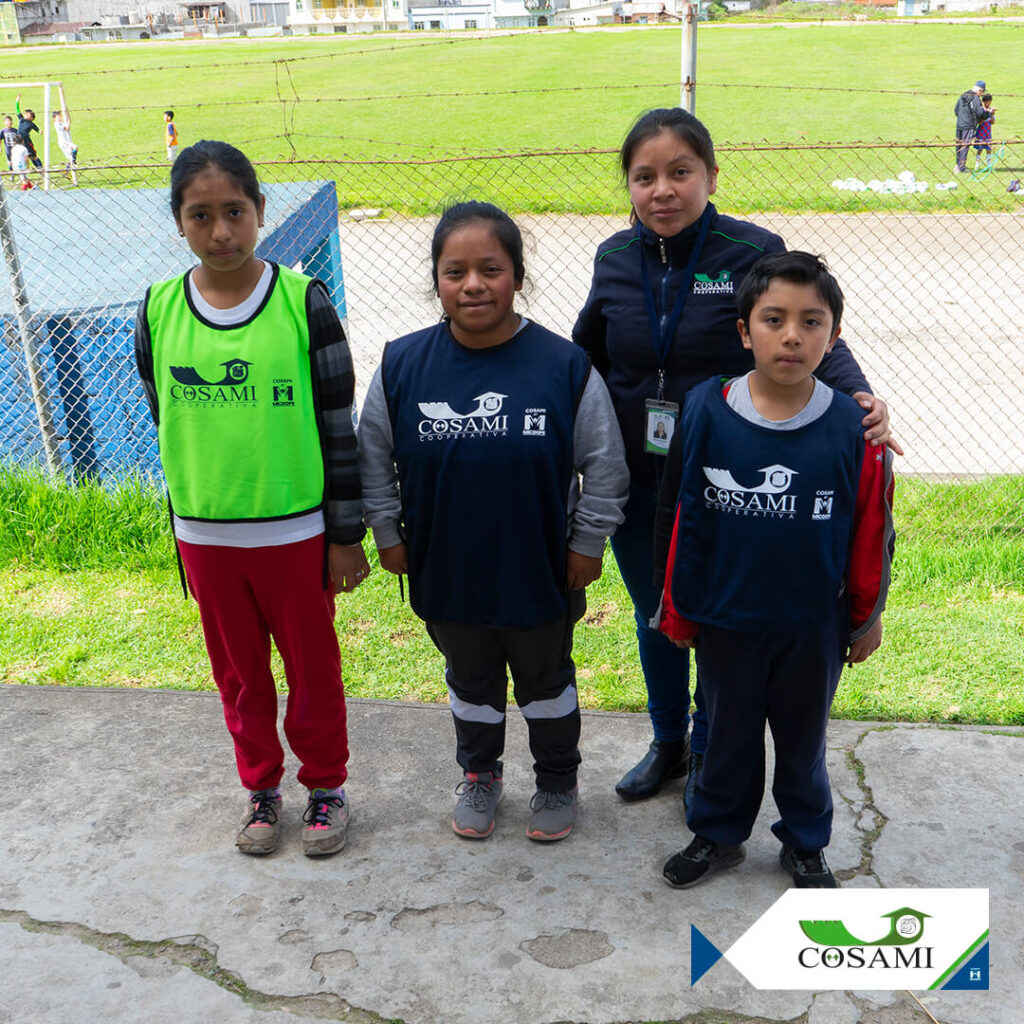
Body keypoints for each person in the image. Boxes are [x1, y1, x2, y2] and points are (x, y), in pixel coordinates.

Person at [573, 107, 895, 808]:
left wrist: (859, 395)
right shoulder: (613, 259)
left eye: (680, 172)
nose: (663, 190)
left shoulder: (750, 249)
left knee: (715, 620)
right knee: (658, 612)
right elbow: (585, 355)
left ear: (712, 176)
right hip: (639, 480)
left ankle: (708, 742)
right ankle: (668, 742)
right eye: (644, 177)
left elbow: (806, 326)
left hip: (724, 484)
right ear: (629, 185)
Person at [358, 201, 629, 843]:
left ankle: (557, 780)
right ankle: (479, 774)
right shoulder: (402, 364)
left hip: (538, 567)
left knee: (546, 684)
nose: (473, 284)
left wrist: (587, 543)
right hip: (447, 567)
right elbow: (372, 455)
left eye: (491, 269)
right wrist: (387, 532)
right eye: (455, 272)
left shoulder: (563, 365)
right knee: (471, 683)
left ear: (517, 276)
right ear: (437, 281)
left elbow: (605, 463)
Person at [133, 140, 369, 857]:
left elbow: (337, 423)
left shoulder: (302, 301)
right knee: (238, 677)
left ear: (261, 210)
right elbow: (166, 415)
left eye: (234, 211)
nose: (221, 232)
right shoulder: (158, 309)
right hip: (207, 539)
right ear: (179, 222)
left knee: (313, 670)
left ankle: (325, 788)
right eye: (200, 216)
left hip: (294, 536)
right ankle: (261, 788)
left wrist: (344, 534)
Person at [656, 251, 894, 890]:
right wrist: (677, 606)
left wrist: (865, 616)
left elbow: (870, 532)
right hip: (727, 619)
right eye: (774, 319)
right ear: (744, 331)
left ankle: (806, 842)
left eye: (811, 322)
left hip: (811, 624)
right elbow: (681, 517)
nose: (792, 336)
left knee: (803, 742)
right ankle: (717, 833)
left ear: (833, 337)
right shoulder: (704, 408)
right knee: (726, 736)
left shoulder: (853, 427)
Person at [954, 80, 993, 174]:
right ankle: (961, 167)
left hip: (959, 124)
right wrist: (988, 113)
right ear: (979, 90)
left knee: (959, 144)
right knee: (965, 145)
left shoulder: (963, 95)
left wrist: (962, 118)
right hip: (969, 125)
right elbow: (979, 113)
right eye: (982, 92)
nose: (982, 94)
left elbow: (956, 110)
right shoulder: (975, 98)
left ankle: (957, 165)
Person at [14, 96, 42, 170]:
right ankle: (37, 168)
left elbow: (37, 129)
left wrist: (40, 131)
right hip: (20, 140)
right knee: (29, 156)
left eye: (28, 114)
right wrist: (17, 101)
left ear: (31, 118)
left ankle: (40, 167)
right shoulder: (22, 119)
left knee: (34, 156)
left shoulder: (31, 124)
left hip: (26, 141)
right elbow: (17, 110)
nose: (26, 114)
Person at [52, 107, 78, 178]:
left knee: (71, 156)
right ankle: (73, 164)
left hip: (67, 141)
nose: (60, 118)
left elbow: (68, 122)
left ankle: (67, 169)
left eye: (60, 116)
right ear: (54, 118)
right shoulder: (57, 124)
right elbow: (67, 128)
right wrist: (68, 121)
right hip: (63, 142)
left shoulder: (61, 123)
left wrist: (67, 113)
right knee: (75, 147)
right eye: (58, 117)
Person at [973, 93, 994, 170]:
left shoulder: (990, 110)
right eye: (987, 102)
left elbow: (992, 122)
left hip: (988, 132)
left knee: (989, 148)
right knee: (980, 149)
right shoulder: (981, 110)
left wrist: (992, 114)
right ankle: (977, 164)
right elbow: (980, 122)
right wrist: (986, 113)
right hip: (981, 132)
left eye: (990, 102)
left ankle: (989, 165)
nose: (989, 104)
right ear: (983, 102)